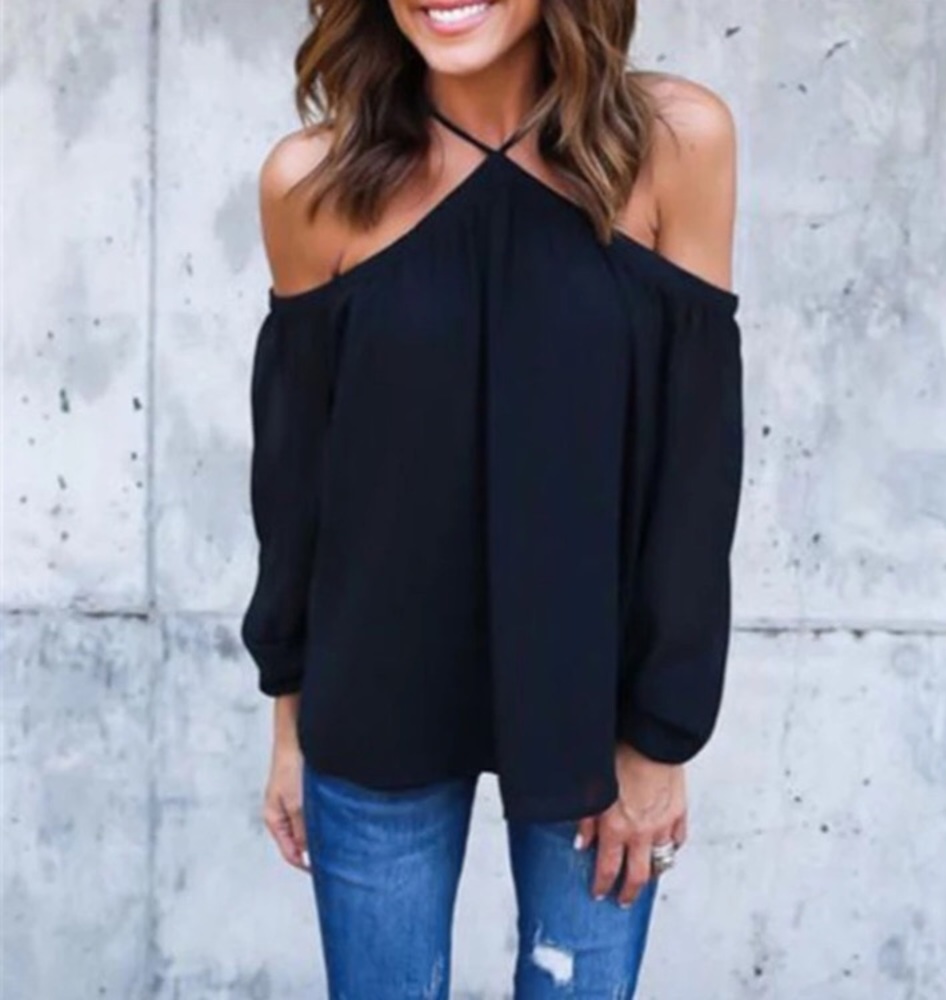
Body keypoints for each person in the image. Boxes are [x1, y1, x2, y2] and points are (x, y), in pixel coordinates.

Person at [240, 0, 744, 995]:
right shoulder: (310, 183)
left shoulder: (675, 145)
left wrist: (659, 739)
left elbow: (695, 469)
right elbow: (295, 488)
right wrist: (290, 726)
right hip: (370, 700)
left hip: (593, 710)